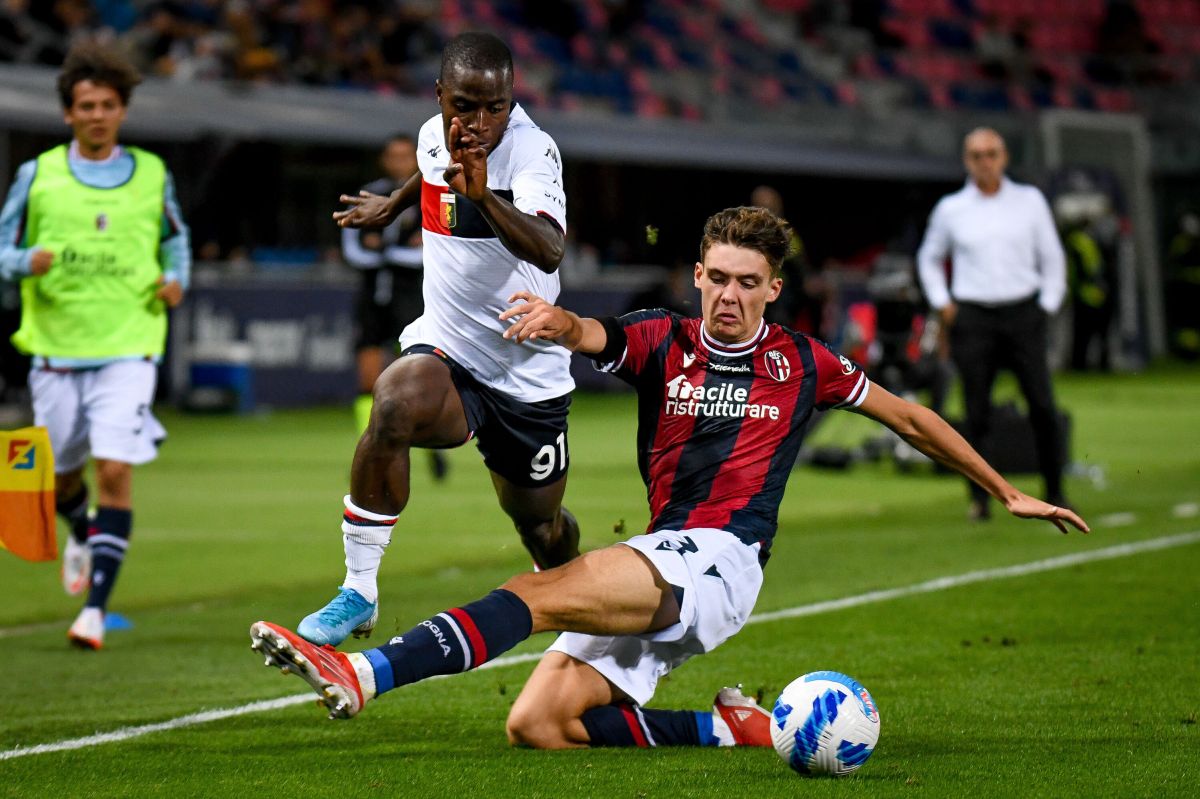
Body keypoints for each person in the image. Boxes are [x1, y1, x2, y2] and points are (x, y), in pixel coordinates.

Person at [249, 206, 1088, 751]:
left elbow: (910, 417)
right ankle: (730, 730)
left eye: (747, 283)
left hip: (723, 561)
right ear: (697, 276)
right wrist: (554, 322)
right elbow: (592, 333)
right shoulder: (664, 340)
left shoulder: (805, 361)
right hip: (664, 553)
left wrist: (1005, 488)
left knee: (537, 590)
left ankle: (363, 673)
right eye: (717, 278)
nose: (729, 295)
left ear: (774, 288)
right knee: (538, 723)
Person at [296, 31, 579, 647]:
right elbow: (430, 174)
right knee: (393, 402)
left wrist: (484, 197)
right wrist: (393, 206)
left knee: (540, 526)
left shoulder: (533, 153)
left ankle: (573, 598)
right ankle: (359, 591)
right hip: (449, 349)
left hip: (526, 370)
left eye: (495, 107)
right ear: (440, 96)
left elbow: (550, 248)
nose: (479, 123)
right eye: (464, 106)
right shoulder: (432, 135)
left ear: (511, 99)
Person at [0, 41, 190, 649]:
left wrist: (176, 278)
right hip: (55, 350)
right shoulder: (38, 175)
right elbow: (2, 251)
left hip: (131, 343)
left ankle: (94, 611)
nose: (98, 115)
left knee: (113, 468)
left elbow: (174, 239)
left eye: (108, 105)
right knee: (61, 479)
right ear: (69, 113)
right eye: (87, 105)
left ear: (122, 111)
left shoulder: (152, 173)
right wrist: (23, 261)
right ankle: (81, 531)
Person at [917, 128, 1070, 521]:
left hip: (1023, 312)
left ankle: (1055, 490)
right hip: (973, 315)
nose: (985, 162)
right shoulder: (952, 208)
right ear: (966, 161)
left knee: (1042, 404)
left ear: (1004, 157)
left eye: (991, 153)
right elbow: (929, 257)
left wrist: (1046, 305)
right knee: (976, 410)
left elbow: (1053, 257)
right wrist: (942, 302)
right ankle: (981, 498)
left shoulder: (1029, 201)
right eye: (976, 155)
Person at [342, 133, 446, 479]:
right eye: (393, 156)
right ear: (384, 160)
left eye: (405, 156)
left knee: (417, 375)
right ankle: (369, 444)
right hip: (372, 297)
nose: (399, 162)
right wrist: (396, 251)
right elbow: (352, 249)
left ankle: (431, 445)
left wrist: (384, 250)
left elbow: (430, 251)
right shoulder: (367, 194)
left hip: (411, 297)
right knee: (368, 376)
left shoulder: (431, 193)